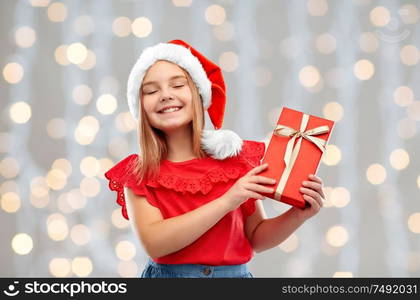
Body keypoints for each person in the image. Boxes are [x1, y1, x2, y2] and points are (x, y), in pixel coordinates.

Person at [105, 39, 326, 278]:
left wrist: (298, 214)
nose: (166, 95)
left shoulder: (235, 161)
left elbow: (257, 238)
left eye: (178, 85)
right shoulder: (139, 173)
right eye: (151, 90)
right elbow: (155, 244)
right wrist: (227, 201)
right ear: (141, 106)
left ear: (199, 94)